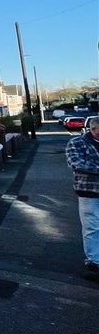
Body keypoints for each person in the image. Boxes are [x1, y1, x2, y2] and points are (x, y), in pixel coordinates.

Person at [66, 116, 99, 274]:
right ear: (93, 129)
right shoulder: (77, 143)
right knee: (92, 226)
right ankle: (94, 261)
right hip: (89, 191)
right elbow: (77, 163)